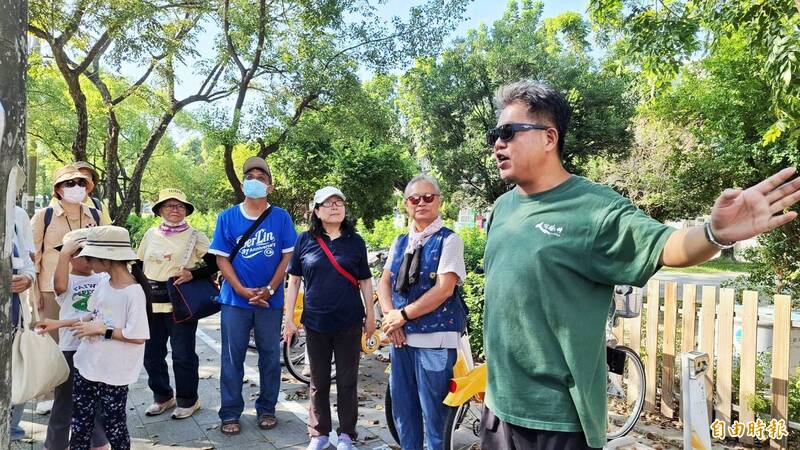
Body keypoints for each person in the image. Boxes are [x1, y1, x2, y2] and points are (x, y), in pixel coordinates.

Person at [480, 80, 800, 450]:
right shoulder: (503, 208)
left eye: (508, 132)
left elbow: (666, 245)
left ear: (549, 138)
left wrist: (714, 232)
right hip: (498, 405)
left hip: (558, 419)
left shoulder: (594, 209)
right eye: (494, 134)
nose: (497, 144)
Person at [35, 225, 150, 450]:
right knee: (80, 422)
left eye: (90, 256)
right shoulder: (105, 283)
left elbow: (137, 336)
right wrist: (60, 323)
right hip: (88, 362)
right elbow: (93, 316)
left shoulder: (133, 292)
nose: (87, 262)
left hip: (113, 369)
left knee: (113, 423)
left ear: (106, 259)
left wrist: (102, 330)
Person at [208, 156, 297, 435]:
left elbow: (287, 256)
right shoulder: (227, 217)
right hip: (236, 300)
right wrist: (240, 289)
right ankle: (230, 412)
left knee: (270, 356)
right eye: (250, 177)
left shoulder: (281, 217)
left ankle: (267, 408)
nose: (254, 181)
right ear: (243, 184)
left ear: (269, 187)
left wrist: (271, 289)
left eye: (261, 177)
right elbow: (221, 259)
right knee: (232, 358)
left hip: (270, 301)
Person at [378, 174, 468, 450]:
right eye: (415, 199)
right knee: (404, 413)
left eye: (428, 197)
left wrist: (402, 316)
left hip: (435, 341)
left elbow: (444, 289)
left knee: (435, 418)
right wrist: (390, 318)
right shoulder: (401, 241)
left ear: (439, 201)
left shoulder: (449, 240)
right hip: (401, 340)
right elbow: (385, 281)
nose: (421, 203)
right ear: (406, 204)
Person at [283, 186, 376, 450]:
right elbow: (294, 281)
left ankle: (347, 434)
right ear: (316, 210)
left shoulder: (355, 241)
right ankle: (319, 433)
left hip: (349, 322)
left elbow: (366, 281)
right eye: (328, 203)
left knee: (348, 381)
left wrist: (371, 315)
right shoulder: (305, 239)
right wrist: (289, 318)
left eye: (339, 202)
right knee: (318, 381)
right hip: (315, 322)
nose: (335, 207)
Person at [138, 188, 217, 419]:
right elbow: (138, 264)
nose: (175, 209)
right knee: (151, 355)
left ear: (186, 211)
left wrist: (194, 273)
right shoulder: (150, 234)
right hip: (152, 304)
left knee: (183, 355)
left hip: (180, 305)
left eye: (180, 206)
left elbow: (215, 263)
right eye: (170, 205)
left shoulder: (195, 236)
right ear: (160, 210)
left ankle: (188, 400)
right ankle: (162, 396)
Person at [44, 229, 109, 450]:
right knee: (65, 400)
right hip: (71, 346)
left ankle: (98, 441)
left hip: (98, 346)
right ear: (70, 256)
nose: (87, 257)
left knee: (97, 397)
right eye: (80, 252)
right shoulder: (67, 279)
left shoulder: (101, 277)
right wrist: (64, 253)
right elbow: (60, 287)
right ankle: (55, 445)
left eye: (91, 251)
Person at [9, 165, 36, 441]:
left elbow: (30, 262)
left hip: (13, 314)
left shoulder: (17, 215)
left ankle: (11, 429)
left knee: (16, 367)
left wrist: (27, 279)